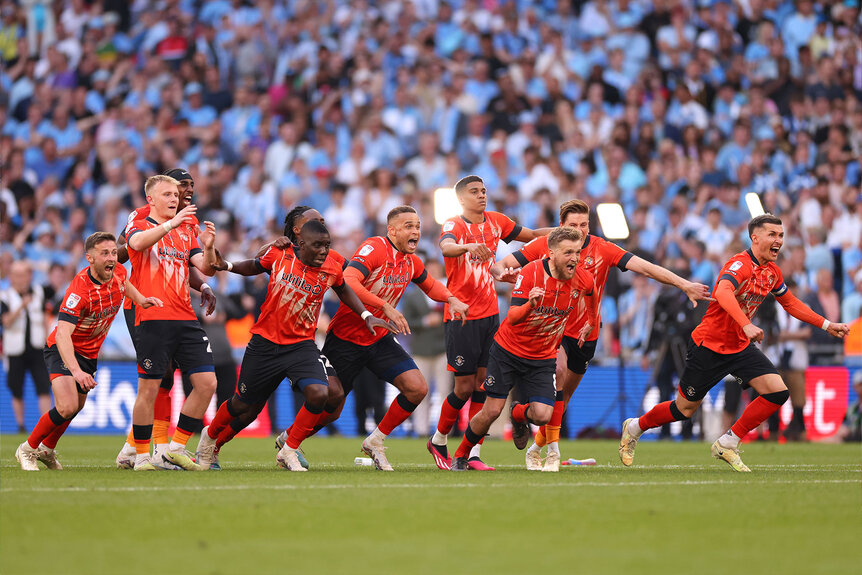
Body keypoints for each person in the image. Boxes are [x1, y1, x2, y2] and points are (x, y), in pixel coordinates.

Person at [619, 214, 850, 472]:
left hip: (739, 346)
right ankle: (635, 427)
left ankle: (728, 441)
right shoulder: (740, 264)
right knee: (683, 409)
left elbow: (791, 303)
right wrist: (746, 324)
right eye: (772, 235)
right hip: (709, 345)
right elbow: (722, 292)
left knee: (777, 392)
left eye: (781, 235)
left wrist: (827, 324)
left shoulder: (772, 272)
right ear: (755, 238)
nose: (778, 241)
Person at [492, 199, 711, 468]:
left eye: (584, 224)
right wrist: (505, 274)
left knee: (563, 399)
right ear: (561, 226)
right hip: (554, 330)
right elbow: (502, 264)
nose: (580, 230)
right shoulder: (548, 244)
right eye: (573, 225)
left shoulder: (602, 249)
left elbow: (645, 267)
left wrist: (684, 284)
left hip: (588, 333)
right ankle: (553, 454)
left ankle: (528, 432)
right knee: (558, 377)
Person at [197, 220, 393, 470]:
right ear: (300, 243)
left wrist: (366, 315)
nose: (324, 251)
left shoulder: (332, 267)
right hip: (265, 343)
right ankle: (209, 437)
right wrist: (228, 265)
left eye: (327, 245)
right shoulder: (281, 254)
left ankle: (289, 449)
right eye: (318, 245)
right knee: (242, 404)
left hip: (301, 345)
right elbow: (255, 265)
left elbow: (344, 290)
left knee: (320, 393)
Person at [321, 205, 470, 470]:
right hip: (346, 337)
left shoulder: (411, 261)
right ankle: (290, 442)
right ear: (392, 230)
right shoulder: (374, 248)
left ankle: (375, 441)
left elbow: (430, 284)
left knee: (417, 388)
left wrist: (451, 299)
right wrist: (386, 306)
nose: (416, 231)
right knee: (331, 409)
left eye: (418, 226)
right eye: (409, 226)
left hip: (378, 338)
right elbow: (349, 279)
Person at [450, 227, 596, 472]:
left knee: (542, 416)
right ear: (551, 254)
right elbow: (514, 317)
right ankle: (461, 454)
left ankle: (518, 415)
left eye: (578, 252)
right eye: (568, 252)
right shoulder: (531, 273)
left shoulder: (583, 278)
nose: (575, 258)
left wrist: (591, 321)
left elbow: (592, 294)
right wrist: (531, 304)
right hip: (508, 350)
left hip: (543, 356)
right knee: (492, 410)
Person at [15, 232, 163, 470]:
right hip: (63, 349)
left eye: (114, 252)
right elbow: (63, 334)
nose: (112, 258)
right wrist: (76, 372)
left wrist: (142, 299)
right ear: (90, 259)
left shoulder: (119, 273)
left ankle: (47, 450)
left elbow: (125, 285)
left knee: (77, 407)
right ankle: (27, 449)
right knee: (67, 406)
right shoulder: (79, 291)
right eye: (104, 253)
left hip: (89, 354)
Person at [428, 174, 544, 471]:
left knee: (483, 385)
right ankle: (439, 440)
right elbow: (446, 247)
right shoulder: (454, 224)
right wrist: (468, 247)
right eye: (474, 191)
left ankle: (473, 452)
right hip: (462, 316)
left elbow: (530, 235)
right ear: (461, 198)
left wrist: (562, 232)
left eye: (484, 190)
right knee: (464, 387)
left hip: (491, 314)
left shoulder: (496, 221)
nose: (482, 195)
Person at [114, 168, 217, 470]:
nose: (182, 194)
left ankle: (171, 448)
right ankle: (144, 452)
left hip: (184, 315)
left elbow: (202, 266)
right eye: (173, 190)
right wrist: (171, 223)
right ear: (153, 197)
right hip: (148, 311)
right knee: (154, 384)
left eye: (184, 188)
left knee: (205, 383)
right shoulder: (141, 216)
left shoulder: (189, 225)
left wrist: (209, 249)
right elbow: (132, 246)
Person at [1, 261, 51, 433]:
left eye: (24, 274)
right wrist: (23, 304)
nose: (21, 279)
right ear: (11, 277)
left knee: (43, 386)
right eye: (17, 275)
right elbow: (6, 321)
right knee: (16, 388)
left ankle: (46, 425)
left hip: (37, 347)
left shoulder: (38, 292)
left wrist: (47, 339)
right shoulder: (5, 296)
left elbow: (45, 316)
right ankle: (21, 425)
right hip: (15, 349)